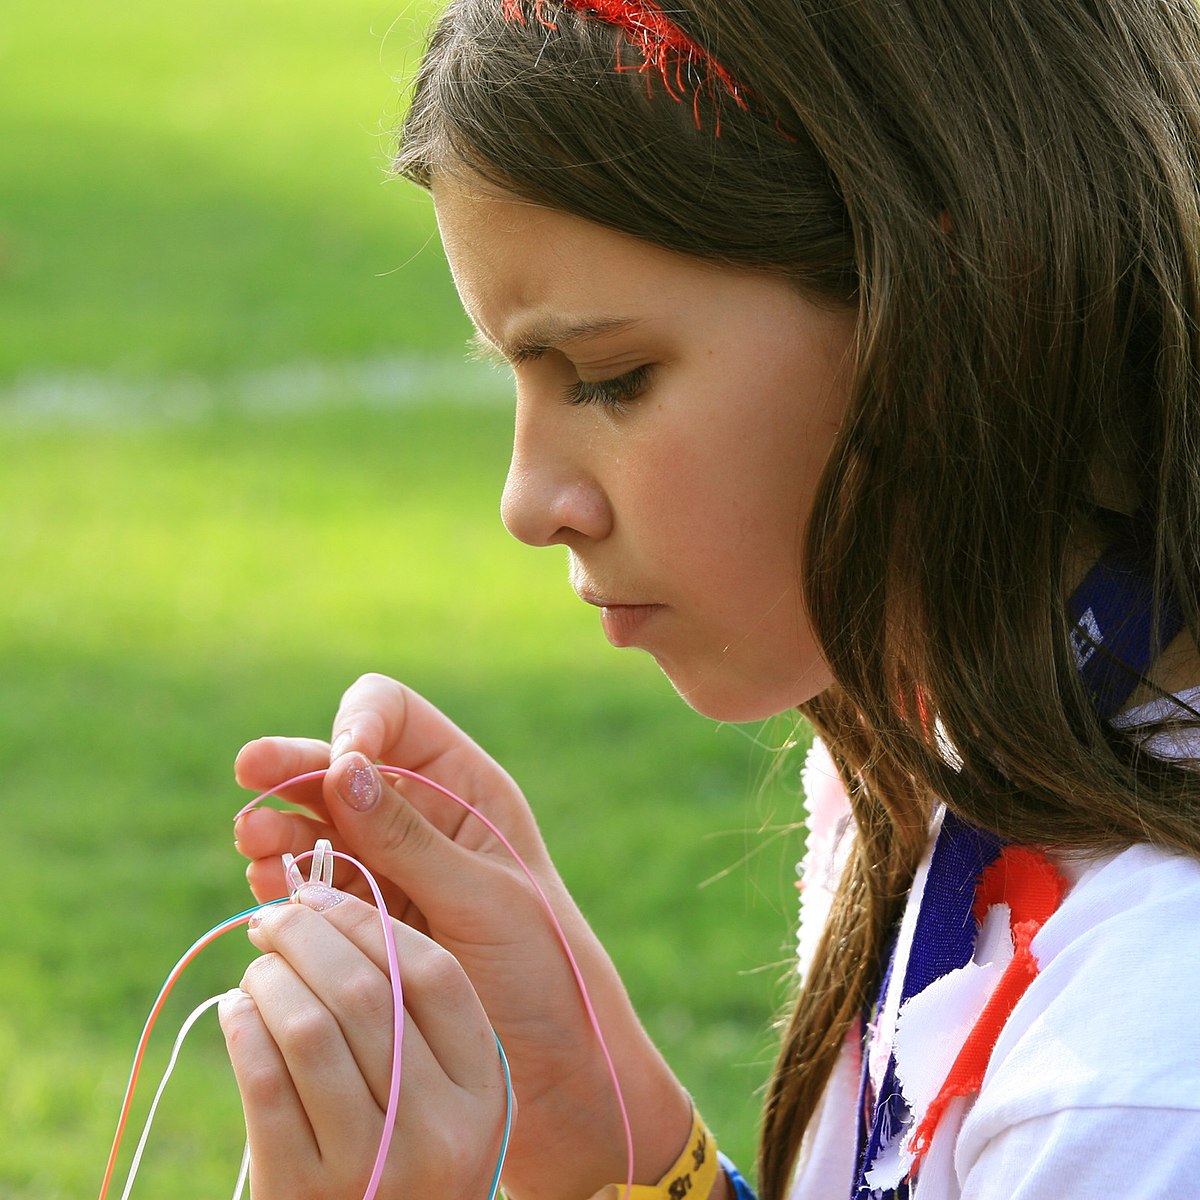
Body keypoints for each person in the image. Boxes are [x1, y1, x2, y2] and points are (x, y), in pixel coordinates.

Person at [217, 1, 1200, 1197]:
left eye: (610, 378)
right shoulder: (932, 751)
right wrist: (598, 1124)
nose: (529, 503)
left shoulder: (1143, 1067)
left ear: (944, 309)